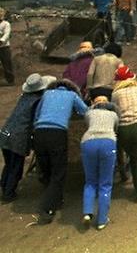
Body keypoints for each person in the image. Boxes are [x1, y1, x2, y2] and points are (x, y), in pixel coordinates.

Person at [32, 78, 88, 224]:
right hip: (57, 134)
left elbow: (37, 115)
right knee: (58, 172)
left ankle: (55, 198)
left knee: (46, 170)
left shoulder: (46, 95)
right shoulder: (72, 96)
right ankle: (48, 209)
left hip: (39, 133)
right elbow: (85, 111)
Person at [0, 73, 56, 203]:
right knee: (16, 167)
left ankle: (4, 185)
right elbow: (36, 119)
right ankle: (8, 193)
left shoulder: (24, 97)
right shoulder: (38, 101)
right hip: (18, 136)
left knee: (9, 164)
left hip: (6, 131)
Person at [112, 65, 137, 202]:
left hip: (123, 129)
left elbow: (114, 113)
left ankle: (124, 173)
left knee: (131, 156)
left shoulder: (115, 95)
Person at [80, 95, 118, 230]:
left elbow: (87, 123)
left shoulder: (89, 113)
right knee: (105, 183)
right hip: (108, 142)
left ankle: (87, 212)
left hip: (88, 142)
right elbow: (116, 128)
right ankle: (102, 220)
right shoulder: (113, 115)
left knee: (90, 181)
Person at [0, 9, 13, 86]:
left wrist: (1, 40)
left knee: (7, 64)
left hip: (4, 47)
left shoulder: (6, 24)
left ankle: (10, 80)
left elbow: (7, 34)